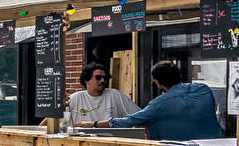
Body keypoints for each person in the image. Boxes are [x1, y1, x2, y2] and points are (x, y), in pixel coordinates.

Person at [76, 60, 224, 140]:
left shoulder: (160, 103)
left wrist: (93, 124)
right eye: (98, 77)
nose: (103, 81)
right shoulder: (203, 89)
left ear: (158, 83)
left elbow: (130, 120)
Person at [64, 63, 139, 129]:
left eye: (105, 78)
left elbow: (138, 117)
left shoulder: (114, 94)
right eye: (98, 77)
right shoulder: (75, 98)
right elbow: (63, 124)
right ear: (86, 80)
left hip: (112, 141)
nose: (103, 81)